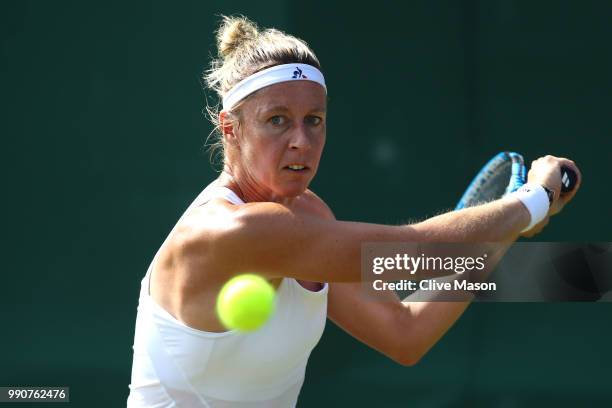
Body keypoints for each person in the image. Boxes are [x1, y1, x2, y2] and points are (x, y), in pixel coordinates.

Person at [127, 15, 581, 407]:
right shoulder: (231, 230)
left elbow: (404, 332)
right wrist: (530, 202)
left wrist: (499, 233)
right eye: (277, 120)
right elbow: (412, 253)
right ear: (231, 128)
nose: (301, 140)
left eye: (314, 120)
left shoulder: (309, 215)